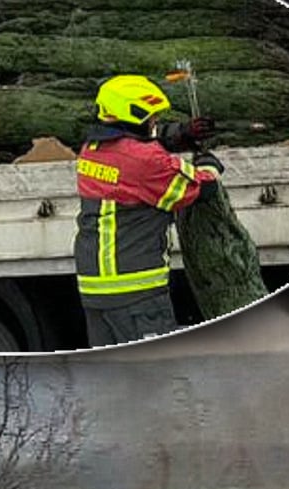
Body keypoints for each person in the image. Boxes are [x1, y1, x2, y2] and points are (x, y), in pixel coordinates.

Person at [74, 75, 225, 347]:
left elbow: (134, 146)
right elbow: (199, 188)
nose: (155, 124)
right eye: (153, 119)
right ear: (136, 114)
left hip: (95, 291)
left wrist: (182, 134)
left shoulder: (91, 150)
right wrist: (209, 165)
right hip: (136, 292)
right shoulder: (143, 161)